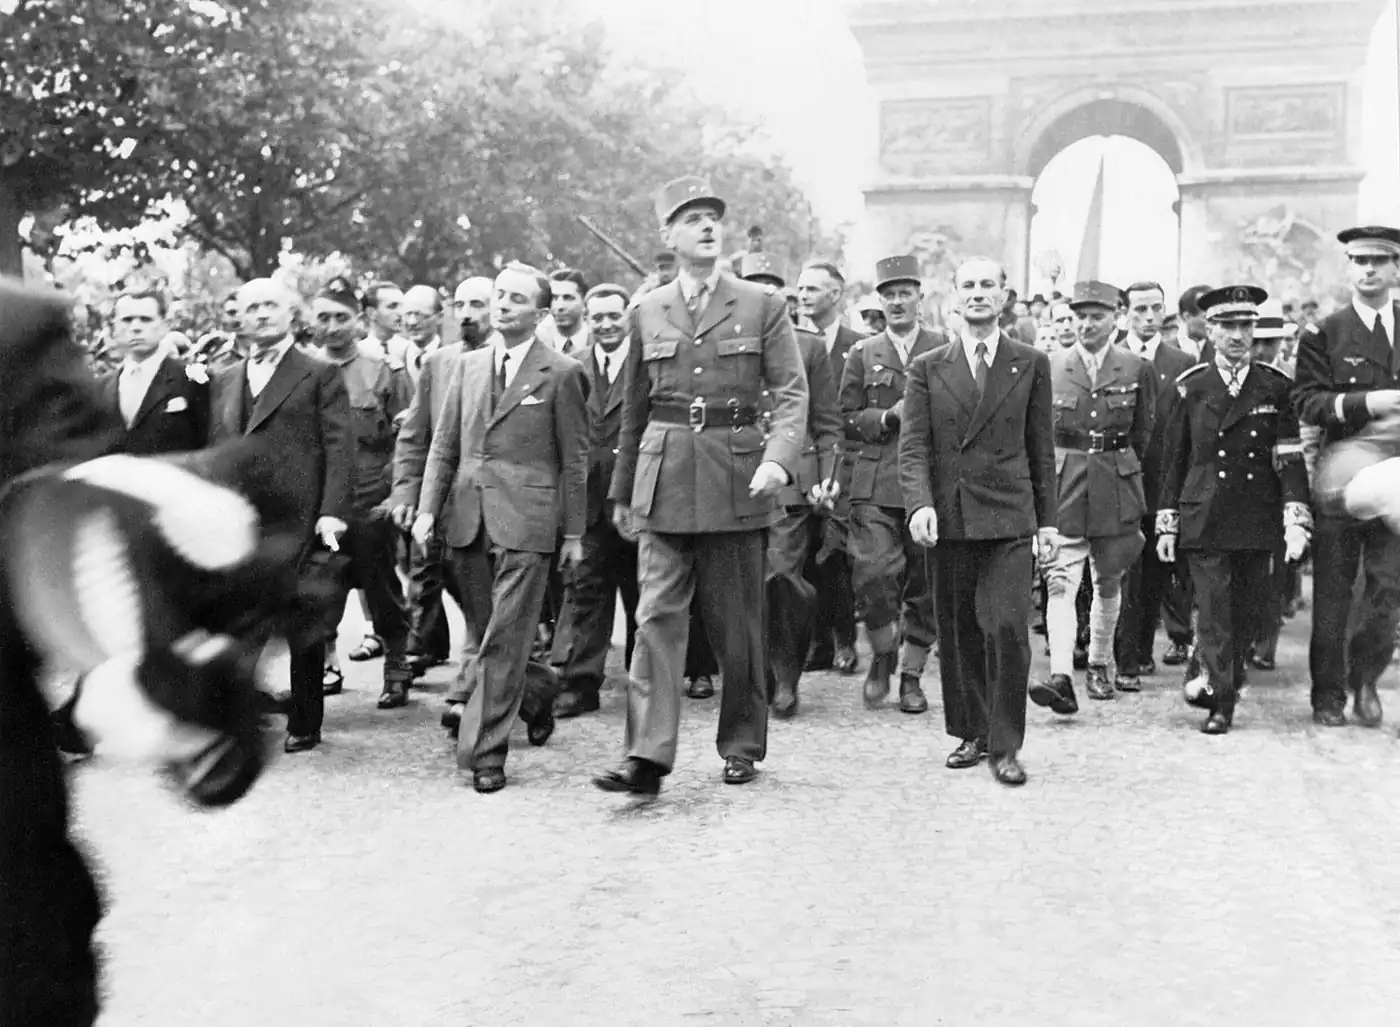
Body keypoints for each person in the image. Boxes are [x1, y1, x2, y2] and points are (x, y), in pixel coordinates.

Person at [593, 175, 808, 795]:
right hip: (663, 481)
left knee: (738, 623)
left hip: (739, 475)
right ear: (669, 236)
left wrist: (779, 458)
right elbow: (633, 413)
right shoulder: (647, 310)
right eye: (692, 218)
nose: (708, 226)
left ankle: (741, 743)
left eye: (714, 216)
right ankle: (647, 757)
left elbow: (791, 394)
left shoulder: (762, 306)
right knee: (656, 617)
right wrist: (624, 494)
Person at [413, 262, 589, 794]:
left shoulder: (560, 373)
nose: (503, 305)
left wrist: (575, 534)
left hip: (528, 523)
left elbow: (574, 459)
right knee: (493, 638)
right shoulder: (464, 368)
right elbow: (444, 446)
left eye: (517, 298)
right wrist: (426, 509)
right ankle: (539, 689)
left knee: (506, 641)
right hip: (467, 519)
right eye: (500, 295)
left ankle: (486, 751)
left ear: (539, 313)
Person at [898, 256, 1057, 787]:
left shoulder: (1030, 362)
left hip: (1010, 516)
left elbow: (1041, 448)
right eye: (969, 285)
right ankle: (972, 731)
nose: (978, 294)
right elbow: (914, 444)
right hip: (951, 516)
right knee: (961, 629)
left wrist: (1048, 522)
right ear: (955, 296)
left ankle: (1006, 745)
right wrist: (919, 503)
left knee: (1008, 626)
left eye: (989, 285)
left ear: (1005, 295)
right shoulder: (927, 367)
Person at [207, 278, 354, 753]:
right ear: (239, 318)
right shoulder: (226, 378)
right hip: (242, 521)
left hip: (300, 516)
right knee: (241, 618)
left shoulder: (318, 373)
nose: (261, 315)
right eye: (251, 308)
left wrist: (332, 512)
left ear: (293, 315)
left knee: (303, 618)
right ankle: (242, 715)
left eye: (271, 305)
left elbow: (339, 447)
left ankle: (306, 720)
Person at [1155, 285, 1310, 734]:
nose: (1239, 335)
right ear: (1209, 329)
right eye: (1228, 326)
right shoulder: (1192, 388)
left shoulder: (1275, 386)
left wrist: (1295, 517)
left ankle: (1224, 675)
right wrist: (1168, 523)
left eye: (1246, 325)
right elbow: (1175, 461)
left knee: (1250, 610)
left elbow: (1290, 458)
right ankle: (1223, 700)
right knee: (1214, 605)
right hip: (1205, 512)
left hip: (1256, 514)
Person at [1029, 280, 1153, 716]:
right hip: (1066, 483)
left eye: (1096, 316)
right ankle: (1061, 674)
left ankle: (1099, 662)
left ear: (1115, 318)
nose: (1086, 324)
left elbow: (1145, 434)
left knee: (1107, 580)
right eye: (1079, 316)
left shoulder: (1136, 367)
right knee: (1060, 580)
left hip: (1116, 484)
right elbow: (1039, 435)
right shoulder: (1049, 365)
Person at [1293, 224, 1400, 727]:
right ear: (1349, 268)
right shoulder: (1325, 333)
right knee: (1333, 593)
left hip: (1397, 481)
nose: (1369, 270)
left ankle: (1366, 681)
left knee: (1387, 591)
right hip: (1343, 475)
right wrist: (1366, 402)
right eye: (1360, 262)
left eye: (1379, 261)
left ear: (1396, 269)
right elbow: (1308, 402)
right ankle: (1328, 695)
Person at [840, 255, 945, 712]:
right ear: (880, 302)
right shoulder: (864, 353)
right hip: (876, 479)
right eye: (889, 295)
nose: (897, 302)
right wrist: (885, 417)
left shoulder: (946, 347)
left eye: (905, 293)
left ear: (921, 297)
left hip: (929, 483)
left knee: (926, 583)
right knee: (874, 574)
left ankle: (912, 676)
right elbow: (844, 416)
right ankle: (883, 652)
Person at [310, 277, 414, 709]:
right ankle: (328, 662)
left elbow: (408, 437)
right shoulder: (303, 375)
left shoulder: (384, 372)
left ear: (359, 321)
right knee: (324, 580)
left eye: (341, 317)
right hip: (324, 511)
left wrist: (397, 496)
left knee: (379, 583)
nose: (333, 327)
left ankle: (396, 664)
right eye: (324, 317)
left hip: (370, 504)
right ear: (310, 321)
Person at [389, 276, 492, 680]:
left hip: (508, 506)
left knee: (498, 607)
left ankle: (479, 689)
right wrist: (406, 494)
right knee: (469, 598)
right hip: (450, 506)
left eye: (478, 304)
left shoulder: (520, 363)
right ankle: (476, 688)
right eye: (461, 305)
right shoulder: (440, 363)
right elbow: (415, 437)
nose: (467, 314)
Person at [550, 284, 641, 719]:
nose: (606, 324)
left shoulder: (646, 364)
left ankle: (646, 681)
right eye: (598, 316)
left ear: (628, 317)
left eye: (614, 316)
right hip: (586, 501)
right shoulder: (573, 368)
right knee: (586, 590)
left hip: (637, 497)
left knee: (644, 592)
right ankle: (582, 684)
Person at [1115, 281, 1198, 678]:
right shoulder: (1110, 354)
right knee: (1114, 568)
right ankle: (1110, 648)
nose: (1148, 318)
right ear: (1125, 313)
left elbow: (1184, 430)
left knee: (1151, 568)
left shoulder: (1180, 363)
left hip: (1160, 481)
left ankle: (1140, 648)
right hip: (1114, 479)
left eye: (1156, 310)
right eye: (1140, 310)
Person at [795, 259, 861, 674]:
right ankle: (812, 641)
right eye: (800, 289)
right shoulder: (789, 343)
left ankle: (844, 638)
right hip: (799, 461)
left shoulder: (859, 345)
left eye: (812, 289)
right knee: (801, 557)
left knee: (834, 555)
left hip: (843, 462)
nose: (803, 296)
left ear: (835, 294)